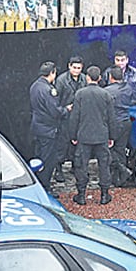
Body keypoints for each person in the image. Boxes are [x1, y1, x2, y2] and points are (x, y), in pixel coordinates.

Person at [68, 65, 116, 206]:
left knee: (81, 165)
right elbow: (111, 118)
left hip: (84, 135)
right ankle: (104, 195)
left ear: (87, 77)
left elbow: (74, 117)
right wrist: (112, 136)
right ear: (99, 78)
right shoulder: (106, 94)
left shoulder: (80, 94)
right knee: (104, 165)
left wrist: (73, 135)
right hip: (101, 135)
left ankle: (81, 195)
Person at [29, 61, 69, 190]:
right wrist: (66, 110)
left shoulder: (34, 86)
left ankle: (38, 184)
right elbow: (55, 111)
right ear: (52, 73)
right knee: (48, 161)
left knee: (39, 158)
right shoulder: (49, 90)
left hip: (38, 127)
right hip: (49, 130)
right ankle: (44, 187)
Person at [53, 55, 86, 183]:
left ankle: (75, 165)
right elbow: (56, 99)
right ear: (69, 66)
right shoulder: (61, 80)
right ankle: (58, 169)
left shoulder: (84, 79)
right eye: (74, 67)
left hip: (80, 117)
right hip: (65, 117)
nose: (76, 70)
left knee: (78, 144)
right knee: (62, 144)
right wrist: (65, 108)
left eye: (79, 68)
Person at [103, 66, 134, 187]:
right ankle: (120, 179)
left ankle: (121, 170)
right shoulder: (129, 88)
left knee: (109, 149)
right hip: (126, 121)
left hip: (114, 123)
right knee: (121, 149)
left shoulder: (107, 91)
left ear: (111, 77)